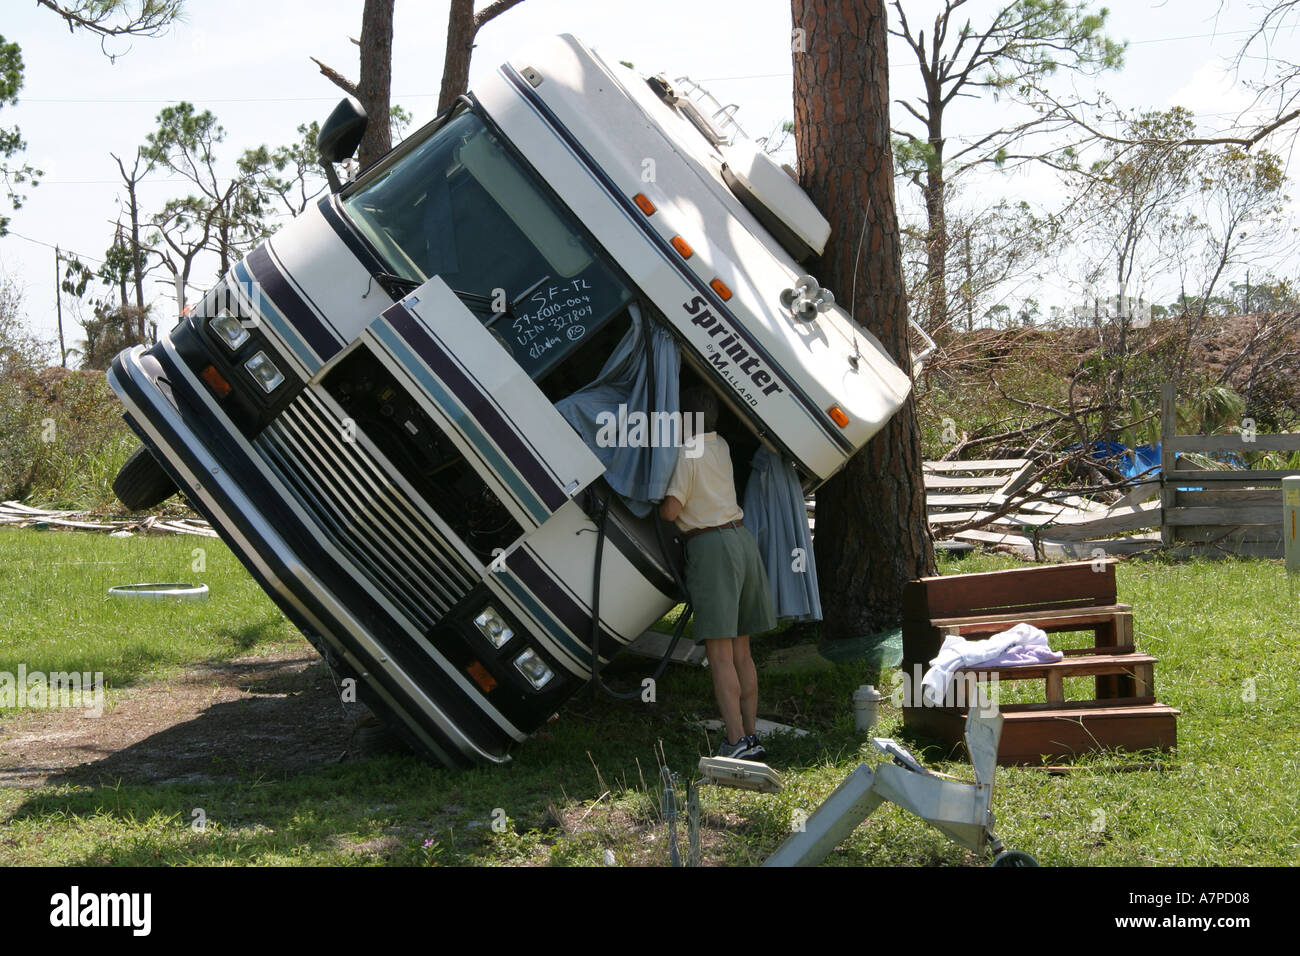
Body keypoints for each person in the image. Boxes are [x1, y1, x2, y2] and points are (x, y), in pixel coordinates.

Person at [659, 386, 776, 761]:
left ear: (684, 420)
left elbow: (671, 511)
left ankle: (734, 740)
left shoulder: (687, 452)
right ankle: (751, 735)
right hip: (740, 539)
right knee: (742, 652)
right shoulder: (721, 444)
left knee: (720, 654)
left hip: (711, 547)